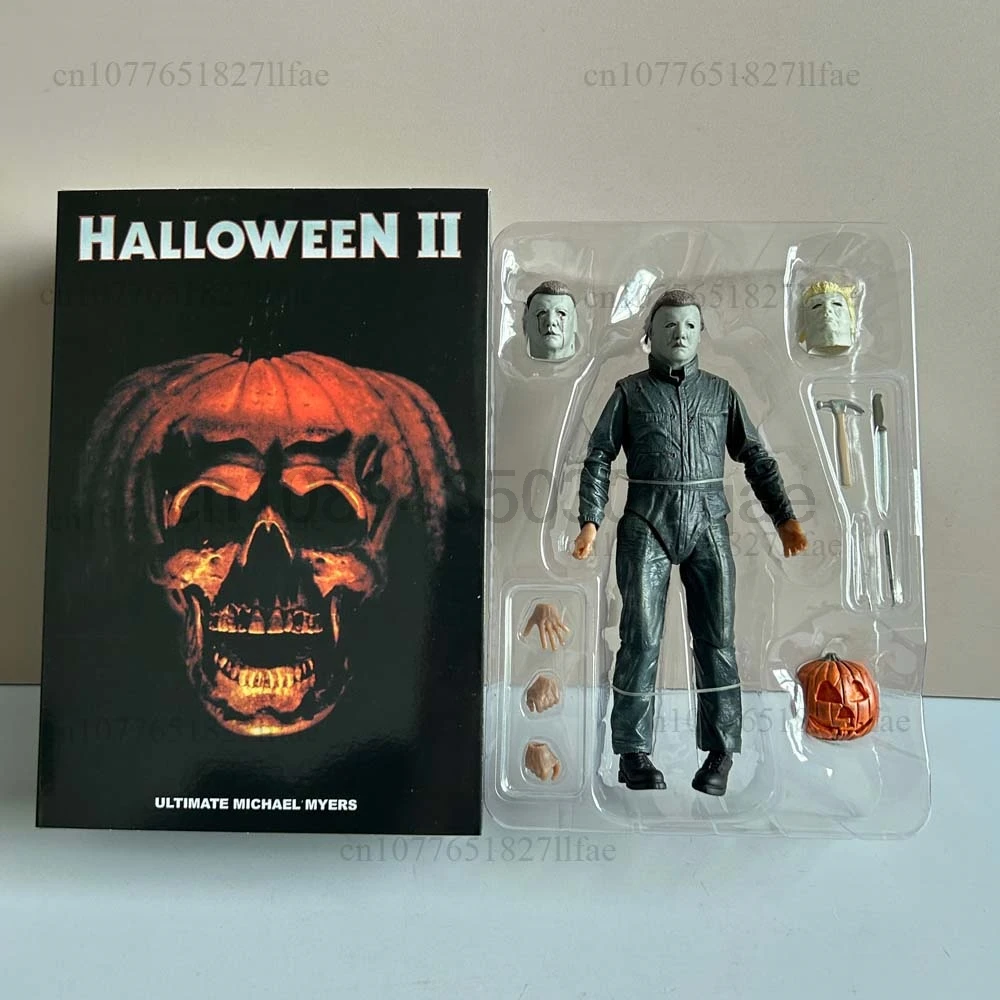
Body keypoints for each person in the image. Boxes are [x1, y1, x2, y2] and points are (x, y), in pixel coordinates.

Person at [572, 288, 808, 795]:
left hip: (708, 522)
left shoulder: (721, 393)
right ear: (649, 335)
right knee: (639, 639)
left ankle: (721, 753)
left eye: (689, 326)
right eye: (668, 325)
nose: (679, 334)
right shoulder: (629, 392)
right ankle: (632, 753)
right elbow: (599, 455)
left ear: (702, 333)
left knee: (718, 640)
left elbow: (755, 456)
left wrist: (783, 517)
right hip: (646, 522)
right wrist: (590, 520)